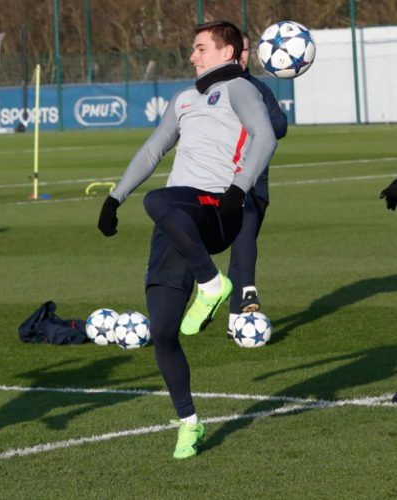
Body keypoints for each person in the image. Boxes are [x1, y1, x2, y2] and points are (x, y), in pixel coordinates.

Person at [97, 21, 276, 459]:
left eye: (200, 48)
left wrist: (239, 188)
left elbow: (266, 135)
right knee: (161, 332)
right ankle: (189, 424)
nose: (192, 56)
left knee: (159, 200)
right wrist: (114, 197)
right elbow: (153, 149)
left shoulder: (239, 87)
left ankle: (213, 285)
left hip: (216, 208)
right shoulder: (184, 98)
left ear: (228, 51)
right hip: (177, 221)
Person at [226, 33, 288, 337]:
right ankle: (246, 292)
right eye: (235, 49)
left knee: (242, 248)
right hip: (224, 180)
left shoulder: (259, 88)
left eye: (245, 49)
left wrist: (255, 119)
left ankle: (233, 318)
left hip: (257, 181)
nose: (240, 54)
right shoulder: (213, 89)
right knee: (241, 228)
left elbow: (280, 127)